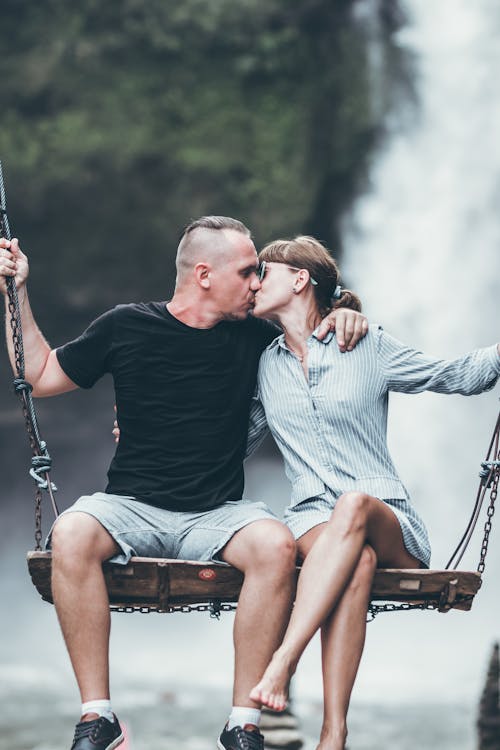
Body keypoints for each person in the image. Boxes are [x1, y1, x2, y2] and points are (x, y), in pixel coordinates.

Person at [0, 218, 367, 750]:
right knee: (72, 531)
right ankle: (98, 718)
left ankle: (243, 724)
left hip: (217, 514)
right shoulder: (125, 325)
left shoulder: (257, 338)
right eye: (247, 271)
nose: (258, 282)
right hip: (131, 505)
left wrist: (348, 314)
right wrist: (17, 291)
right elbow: (39, 375)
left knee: (275, 543)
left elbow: (318, 337)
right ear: (204, 275)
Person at [243, 236, 500, 750]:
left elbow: (455, 376)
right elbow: (229, 445)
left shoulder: (366, 345)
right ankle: (334, 734)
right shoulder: (264, 366)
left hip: (390, 525)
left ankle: (281, 663)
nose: (252, 283)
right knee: (355, 561)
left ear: (299, 280)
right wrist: (146, 430)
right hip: (313, 524)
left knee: (354, 505)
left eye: (261, 272)